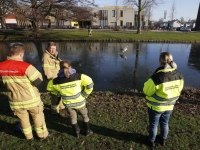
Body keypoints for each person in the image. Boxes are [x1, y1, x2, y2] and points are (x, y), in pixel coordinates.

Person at [0, 44, 52, 140]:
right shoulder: (26, 67)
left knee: (23, 119)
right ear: (21, 54)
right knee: (38, 116)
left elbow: (2, 85)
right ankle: (42, 135)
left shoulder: (1, 66)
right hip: (31, 99)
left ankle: (29, 136)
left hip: (15, 101)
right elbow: (38, 81)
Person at [143, 52, 184, 147]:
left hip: (156, 107)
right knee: (165, 123)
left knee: (153, 124)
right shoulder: (179, 75)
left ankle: (151, 141)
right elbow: (179, 89)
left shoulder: (157, 77)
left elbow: (146, 91)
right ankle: (163, 140)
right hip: (170, 106)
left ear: (160, 61)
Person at [47, 60, 94, 137]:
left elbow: (50, 90)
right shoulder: (78, 76)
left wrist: (60, 93)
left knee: (73, 118)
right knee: (85, 116)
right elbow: (90, 84)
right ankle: (87, 131)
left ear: (60, 68)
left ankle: (76, 133)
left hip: (68, 105)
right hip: (80, 103)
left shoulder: (55, 81)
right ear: (70, 67)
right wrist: (85, 94)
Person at [42, 42, 65, 114]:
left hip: (58, 77)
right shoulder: (46, 57)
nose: (52, 50)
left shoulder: (55, 54)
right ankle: (54, 111)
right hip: (53, 79)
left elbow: (58, 62)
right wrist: (51, 80)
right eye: (51, 48)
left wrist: (64, 63)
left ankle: (61, 106)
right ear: (47, 48)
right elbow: (46, 70)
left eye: (54, 48)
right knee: (55, 96)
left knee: (60, 93)